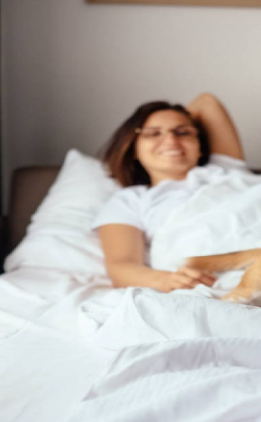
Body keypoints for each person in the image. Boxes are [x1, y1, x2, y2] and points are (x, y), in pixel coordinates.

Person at [92, 93, 246, 292]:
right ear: (134, 149)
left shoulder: (226, 171)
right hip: (217, 275)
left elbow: (207, 102)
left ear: (199, 146)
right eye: (153, 134)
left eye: (182, 133)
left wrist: (172, 121)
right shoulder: (131, 200)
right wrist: (167, 280)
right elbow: (121, 266)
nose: (171, 139)